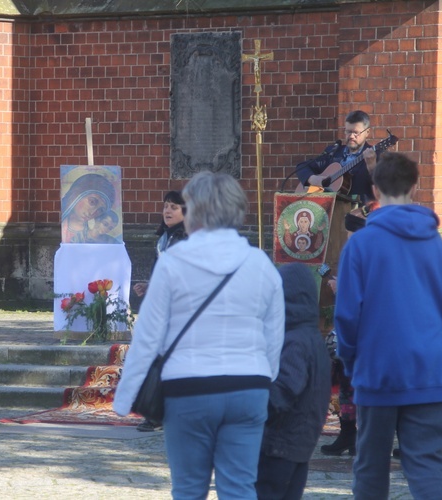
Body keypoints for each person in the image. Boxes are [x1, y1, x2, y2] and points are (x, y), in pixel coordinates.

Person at [113, 171, 285, 499]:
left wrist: (125, 398)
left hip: (188, 386)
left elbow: (149, 337)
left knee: (190, 489)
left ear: (197, 212)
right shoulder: (260, 264)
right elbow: (274, 335)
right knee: (240, 487)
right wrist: (264, 377)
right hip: (249, 384)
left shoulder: (173, 262)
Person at [334, 152, 442, 499]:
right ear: (416, 187)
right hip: (429, 370)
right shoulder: (436, 245)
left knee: (371, 466)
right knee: (426, 465)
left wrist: (351, 361)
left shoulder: (360, 244)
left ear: (374, 189)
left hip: (377, 370)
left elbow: (347, 315)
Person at [256, 263, 331, 500]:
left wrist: (251, 401)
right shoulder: (312, 338)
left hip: (279, 445)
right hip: (299, 445)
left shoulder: (295, 342)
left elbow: (284, 391)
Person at [131, 190, 188, 432]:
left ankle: (158, 414)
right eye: (165, 206)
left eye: (174, 207)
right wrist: (149, 285)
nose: (167, 211)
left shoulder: (186, 240)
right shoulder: (165, 238)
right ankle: (158, 412)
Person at [296, 110, 378, 204]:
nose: (351, 136)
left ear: (367, 132)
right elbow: (302, 167)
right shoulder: (334, 152)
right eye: (348, 131)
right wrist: (313, 179)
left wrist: (372, 167)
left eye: (356, 132)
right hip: (328, 212)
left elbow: (384, 187)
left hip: (359, 213)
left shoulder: (375, 155)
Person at [61, 173, 116, 243]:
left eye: (100, 210)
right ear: (76, 196)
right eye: (92, 202)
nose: (92, 213)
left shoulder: (93, 235)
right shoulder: (61, 225)